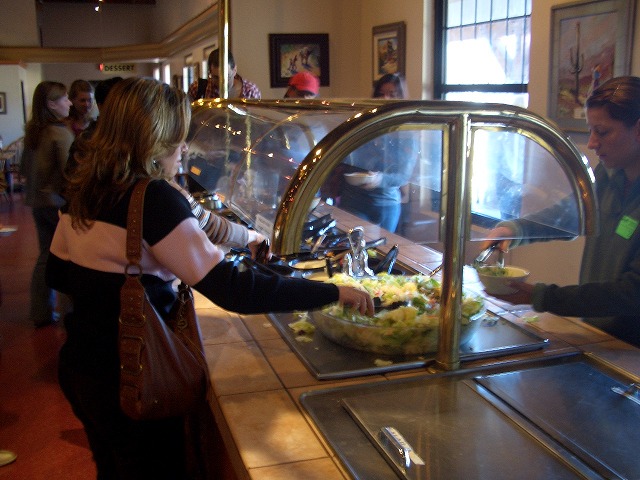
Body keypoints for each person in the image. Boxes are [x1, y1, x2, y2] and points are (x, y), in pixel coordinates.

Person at [46, 77, 372, 479]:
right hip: (135, 372)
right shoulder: (153, 198)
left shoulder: (85, 188)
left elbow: (58, 273)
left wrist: (126, 273)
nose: (184, 148)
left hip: (81, 366)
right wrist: (331, 291)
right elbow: (234, 290)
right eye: (177, 139)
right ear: (153, 141)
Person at [480, 76, 640, 348]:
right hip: (599, 334)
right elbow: (572, 214)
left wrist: (541, 297)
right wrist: (514, 230)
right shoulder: (609, 173)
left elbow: (632, 293)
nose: (592, 143)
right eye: (590, 130)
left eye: (602, 132)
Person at [20, 81, 74, 327]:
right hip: (57, 203)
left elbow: (24, 170)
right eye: (65, 99)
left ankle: (40, 310)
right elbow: (70, 173)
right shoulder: (59, 133)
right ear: (52, 104)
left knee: (45, 257)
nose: (69, 103)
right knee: (67, 258)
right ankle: (68, 313)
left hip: (38, 203)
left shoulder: (34, 132)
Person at [338, 73, 417, 232]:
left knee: (383, 246)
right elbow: (346, 158)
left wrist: (380, 179)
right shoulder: (361, 125)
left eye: (392, 94)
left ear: (401, 98)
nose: (385, 98)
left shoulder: (407, 133)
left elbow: (403, 176)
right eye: (381, 94)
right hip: (353, 200)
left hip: (386, 204)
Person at [188, 48, 261, 101]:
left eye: (226, 77)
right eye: (216, 77)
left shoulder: (250, 91)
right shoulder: (197, 89)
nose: (221, 83)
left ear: (235, 70)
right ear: (210, 73)